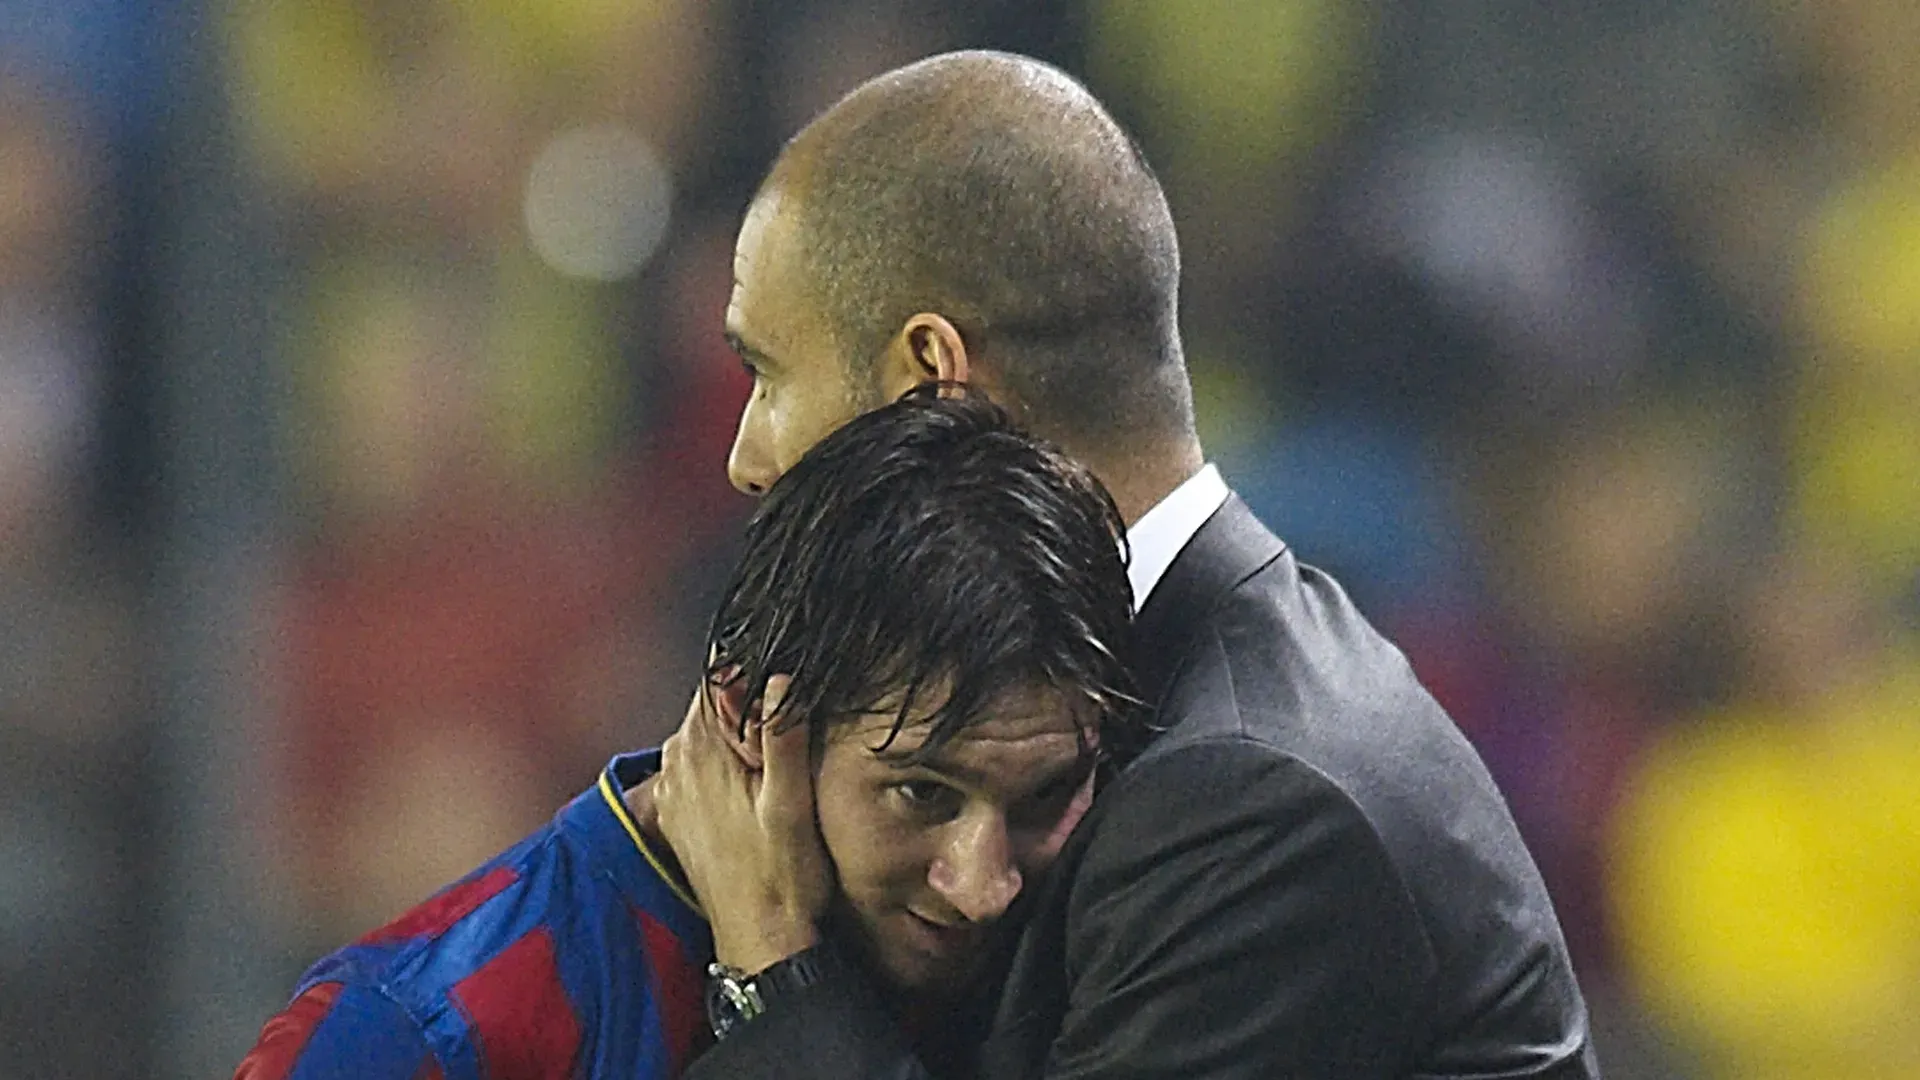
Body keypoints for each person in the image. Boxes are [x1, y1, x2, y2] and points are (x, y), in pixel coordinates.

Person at [653, 50, 1603, 1078]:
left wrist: (772, 970)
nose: (747, 459)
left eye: (768, 377)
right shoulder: (1176, 706)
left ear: (931, 381)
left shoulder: (1247, 803)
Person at [230, 387, 1144, 1079]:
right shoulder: (417, 1033)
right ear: (748, 719)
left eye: (1043, 798)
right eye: (920, 794)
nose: (984, 888)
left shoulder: (1096, 969)